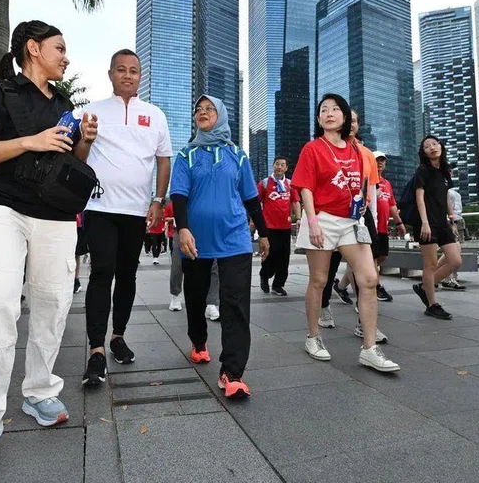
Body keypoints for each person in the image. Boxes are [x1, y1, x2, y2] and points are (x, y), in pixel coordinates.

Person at [0, 21, 98, 470]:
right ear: (33, 49)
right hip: (4, 207)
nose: (66, 57)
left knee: (53, 303)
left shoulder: (64, 103)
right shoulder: (2, 93)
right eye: (59, 48)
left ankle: (40, 391)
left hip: (55, 214)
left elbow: (69, 161)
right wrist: (30, 140)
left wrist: (83, 142)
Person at [81, 49, 172, 386]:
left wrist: (158, 200)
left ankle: (117, 336)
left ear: (140, 77)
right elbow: (78, 154)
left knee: (127, 274)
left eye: (134, 71)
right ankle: (95, 349)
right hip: (100, 207)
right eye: (121, 70)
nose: (128, 75)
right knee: (102, 272)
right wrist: (85, 139)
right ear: (110, 74)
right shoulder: (92, 111)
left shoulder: (155, 114)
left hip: (136, 212)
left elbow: (164, 160)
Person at [170, 95, 268, 399]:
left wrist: (263, 234)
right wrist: (183, 228)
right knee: (196, 298)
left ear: (221, 115)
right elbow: (179, 196)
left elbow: (251, 197)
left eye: (209, 109)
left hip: (235, 238)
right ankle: (198, 343)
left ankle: (232, 372)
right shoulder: (185, 155)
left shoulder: (237, 155)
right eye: (198, 110)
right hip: (196, 241)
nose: (202, 113)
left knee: (235, 304)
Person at [293, 94, 399, 371]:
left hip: (352, 220)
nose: (329, 113)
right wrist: (312, 222)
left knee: (368, 278)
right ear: (319, 119)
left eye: (335, 109)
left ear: (344, 118)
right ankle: (313, 337)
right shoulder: (312, 148)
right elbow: (305, 187)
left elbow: (360, 182)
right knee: (318, 279)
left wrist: (363, 200)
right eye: (323, 110)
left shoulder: (354, 151)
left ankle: (369, 348)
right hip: (322, 218)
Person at [322, 109, 379, 327]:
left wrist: (370, 216)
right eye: (349, 119)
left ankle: (363, 323)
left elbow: (370, 188)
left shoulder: (366, 153)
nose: (351, 124)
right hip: (333, 216)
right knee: (328, 269)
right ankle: (324, 305)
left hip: (361, 217)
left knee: (368, 272)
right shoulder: (327, 148)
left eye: (355, 120)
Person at [410, 135, 463, 320]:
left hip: (442, 222)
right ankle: (432, 304)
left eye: (434, 144)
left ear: (440, 146)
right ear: (423, 152)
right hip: (426, 222)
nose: (432, 147)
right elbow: (419, 197)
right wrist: (424, 222)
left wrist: (452, 219)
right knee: (430, 265)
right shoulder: (422, 170)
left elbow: (446, 195)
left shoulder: (444, 171)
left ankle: (425, 287)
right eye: (426, 146)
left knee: (455, 260)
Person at [257, 156, 299, 296]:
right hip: (269, 227)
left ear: (286, 168)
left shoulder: (290, 184)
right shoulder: (264, 183)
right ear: (273, 166)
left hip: (285, 227)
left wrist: (298, 218)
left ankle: (278, 285)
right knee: (270, 256)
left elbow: (295, 202)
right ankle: (264, 275)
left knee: (284, 258)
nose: (279, 167)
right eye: (277, 164)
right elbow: (256, 203)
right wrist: (255, 222)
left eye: (282, 165)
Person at [370, 151, 405, 301]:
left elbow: (392, 205)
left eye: (382, 161)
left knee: (382, 256)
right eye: (377, 160)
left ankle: (342, 286)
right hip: (371, 227)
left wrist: (399, 222)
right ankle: (376, 287)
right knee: (372, 258)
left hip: (383, 227)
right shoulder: (369, 180)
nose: (380, 163)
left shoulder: (387, 183)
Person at [441, 187, 466, 290]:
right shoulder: (445, 190)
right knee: (455, 251)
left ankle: (445, 277)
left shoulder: (453, 191)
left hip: (458, 220)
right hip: (452, 222)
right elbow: (446, 207)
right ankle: (449, 278)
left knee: (454, 251)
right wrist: (452, 223)